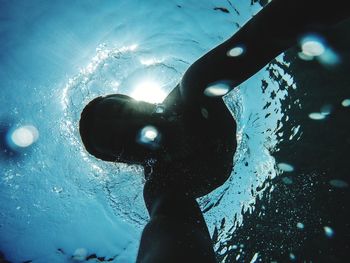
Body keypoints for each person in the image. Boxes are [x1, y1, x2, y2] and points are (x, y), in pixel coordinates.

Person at [79, 0, 349, 262]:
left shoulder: (194, 90)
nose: (130, 127)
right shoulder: (162, 183)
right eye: (117, 138)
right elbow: (170, 226)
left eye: (122, 112)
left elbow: (269, 31)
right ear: (124, 161)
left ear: (141, 102)